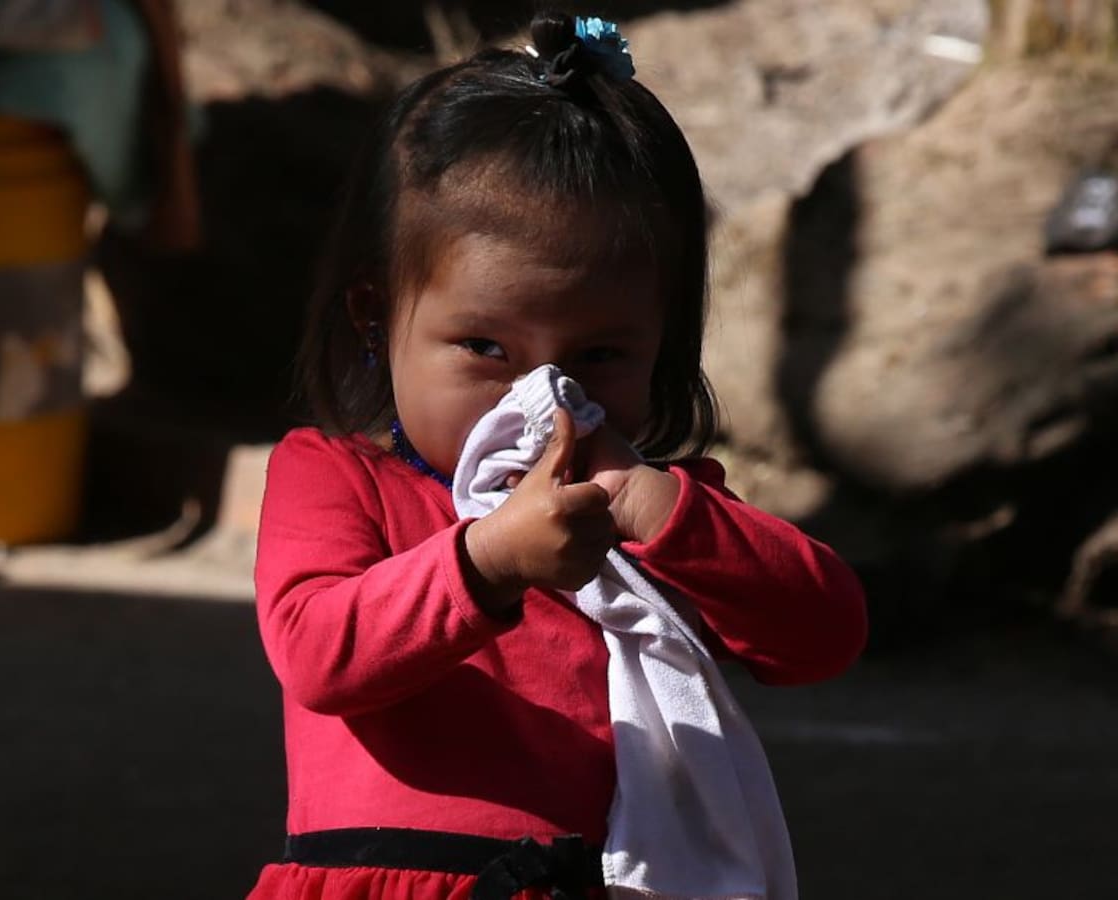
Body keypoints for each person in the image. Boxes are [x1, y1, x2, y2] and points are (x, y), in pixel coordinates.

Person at [248, 11, 867, 900]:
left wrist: (650, 505)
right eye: (485, 349)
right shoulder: (339, 475)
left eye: (598, 358)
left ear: (665, 347)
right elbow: (319, 654)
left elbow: (824, 631)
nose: (540, 396)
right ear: (377, 317)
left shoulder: (652, 512)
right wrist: (488, 561)